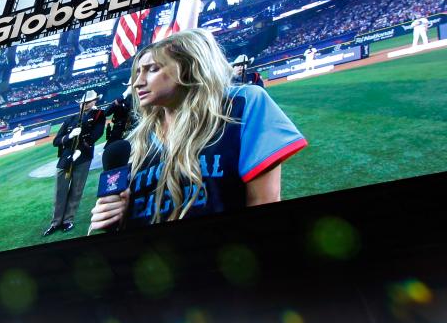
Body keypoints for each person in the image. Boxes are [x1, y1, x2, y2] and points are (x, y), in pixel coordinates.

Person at [90, 29, 307, 231]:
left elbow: (263, 201)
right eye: (137, 72)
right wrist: (121, 212)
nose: (138, 82)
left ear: (190, 67)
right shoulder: (137, 140)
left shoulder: (242, 105)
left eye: (152, 69)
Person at [44, 89, 105, 236]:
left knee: (76, 190)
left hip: (83, 157)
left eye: (91, 102)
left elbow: (96, 134)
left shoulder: (97, 115)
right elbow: (56, 141)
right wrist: (69, 136)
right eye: (86, 102)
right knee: (60, 191)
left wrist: (81, 150)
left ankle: (68, 220)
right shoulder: (70, 120)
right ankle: (55, 222)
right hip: (66, 158)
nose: (88, 104)